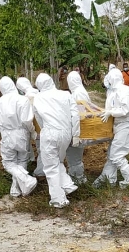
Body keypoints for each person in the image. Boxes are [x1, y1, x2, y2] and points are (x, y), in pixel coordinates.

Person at [33, 73, 80, 208]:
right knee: (57, 161)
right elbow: (75, 114)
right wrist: (75, 134)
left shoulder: (38, 98)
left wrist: (45, 131)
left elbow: (39, 119)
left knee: (50, 167)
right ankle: (67, 184)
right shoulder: (65, 94)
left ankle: (58, 199)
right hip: (66, 133)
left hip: (49, 132)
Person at [94, 68, 129, 188]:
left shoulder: (124, 91)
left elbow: (125, 110)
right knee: (112, 154)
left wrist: (110, 112)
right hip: (120, 127)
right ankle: (108, 179)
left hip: (127, 126)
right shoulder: (114, 92)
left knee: (116, 155)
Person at [0, 77, 38, 197]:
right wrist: (32, 132)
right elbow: (27, 120)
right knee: (22, 160)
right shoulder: (22, 100)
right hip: (22, 133)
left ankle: (26, 180)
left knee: (8, 162)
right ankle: (17, 189)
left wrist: (1, 126)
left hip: (7, 134)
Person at [65, 70, 91, 183]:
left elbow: (80, 114)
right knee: (73, 156)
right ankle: (76, 178)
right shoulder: (78, 91)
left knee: (74, 156)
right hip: (78, 128)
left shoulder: (79, 93)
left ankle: (78, 179)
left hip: (78, 129)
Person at [16, 76, 42, 175]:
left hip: (37, 128)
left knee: (41, 150)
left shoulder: (26, 98)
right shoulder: (39, 93)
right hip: (45, 127)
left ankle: (41, 172)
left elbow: (27, 119)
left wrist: (32, 131)